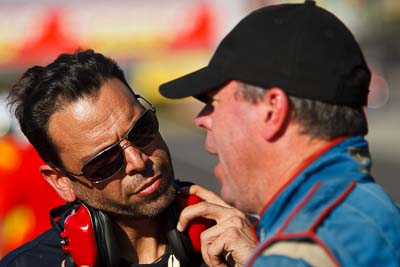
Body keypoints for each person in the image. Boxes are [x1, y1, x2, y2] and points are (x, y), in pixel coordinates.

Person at [159, 0, 400, 266]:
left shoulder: (298, 254)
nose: (201, 118)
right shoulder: (379, 211)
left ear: (272, 110)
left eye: (213, 102)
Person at [0, 49, 214, 267]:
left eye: (142, 130)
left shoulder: (232, 240)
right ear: (61, 181)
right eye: (105, 161)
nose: (138, 161)